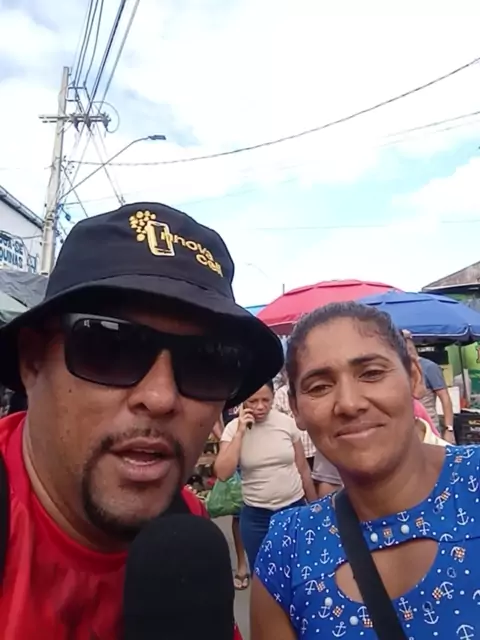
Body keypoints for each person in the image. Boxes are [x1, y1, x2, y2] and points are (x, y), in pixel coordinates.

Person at [0, 202, 283, 639]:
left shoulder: (185, 528)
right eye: (109, 348)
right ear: (33, 362)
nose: (160, 397)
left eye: (207, 362)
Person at [252, 301, 480, 639]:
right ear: (296, 409)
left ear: (414, 377)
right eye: (319, 386)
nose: (349, 403)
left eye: (371, 373)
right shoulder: (288, 549)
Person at [215, 381, 316, 572]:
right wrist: (240, 433)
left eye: (266, 400)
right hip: (257, 517)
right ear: (244, 400)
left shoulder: (286, 423)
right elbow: (222, 473)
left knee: (298, 568)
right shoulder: (233, 428)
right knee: (263, 574)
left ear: (273, 398)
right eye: (253, 401)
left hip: (293, 509)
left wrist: (315, 506)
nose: (260, 406)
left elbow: (302, 468)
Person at [273, 369, 317, 469]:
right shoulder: (281, 393)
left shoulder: (311, 389)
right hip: (294, 447)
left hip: (313, 447)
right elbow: (277, 419)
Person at [419, 356, 454, 441]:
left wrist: (449, 429)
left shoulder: (429, 367)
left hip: (429, 429)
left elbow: (445, 398)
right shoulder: (398, 367)